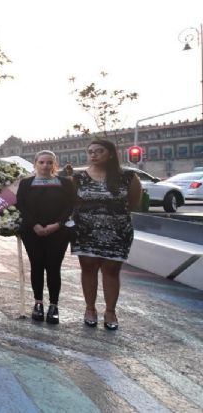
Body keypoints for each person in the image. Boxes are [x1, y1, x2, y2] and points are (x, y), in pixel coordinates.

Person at [72, 139, 141, 330]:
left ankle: (110, 311)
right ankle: (90, 309)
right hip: (85, 231)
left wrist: (112, 217)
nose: (93, 154)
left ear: (110, 154)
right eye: (90, 151)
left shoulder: (128, 176)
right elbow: (73, 202)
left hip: (117, 232)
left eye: (99, 151)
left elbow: (133, 202)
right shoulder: (79, 178)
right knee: (88, 269)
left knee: (111, 271)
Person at [16, 150, 77, 324]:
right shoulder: (26, 183)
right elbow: (21, 205)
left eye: (49, 162)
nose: (45, 166)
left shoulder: (65, 183)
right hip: (31, 231)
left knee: (53, 267)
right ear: (35, 163)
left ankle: (53, 306)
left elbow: (70, 205)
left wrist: (57, 224)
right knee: (36, 266)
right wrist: (34, 224)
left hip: (58, 231)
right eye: (42, 162)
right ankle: (38, 304)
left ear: (54, 165)